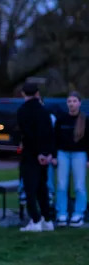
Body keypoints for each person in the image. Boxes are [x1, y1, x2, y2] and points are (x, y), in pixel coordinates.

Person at [17, 83, 55, 232]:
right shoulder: (44, 111)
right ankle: (47, 219)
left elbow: (27, 135)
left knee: (30, 188)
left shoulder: (23, 111)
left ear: (23, 93)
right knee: (42, 188)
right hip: (45, 156)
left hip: (31, 155)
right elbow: (49, 134)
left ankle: (35, 219)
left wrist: (38, 152)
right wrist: (48, 153)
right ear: (37, 93)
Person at [54, 92, 87, 227]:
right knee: (62, 184)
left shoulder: (85, 120)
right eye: (69, 101)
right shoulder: (61, 119)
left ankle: (79, 213)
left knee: (79, 185)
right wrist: (54, 155)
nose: (72, 104)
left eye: (74, 101)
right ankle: (61, 213)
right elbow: (55, 138)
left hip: (79, 154)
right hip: (63, 154)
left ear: (79, 103)